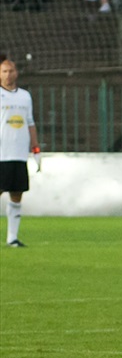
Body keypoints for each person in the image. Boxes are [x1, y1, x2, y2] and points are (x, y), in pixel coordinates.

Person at [0, 56, 40, 248]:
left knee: (16, 195)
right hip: (1, 154)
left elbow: (30, 122)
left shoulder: (25, 96)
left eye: (11, 71)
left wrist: (36, 149)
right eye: (4, 71)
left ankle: (12, 238)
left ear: (16, 73)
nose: (8, 75)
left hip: (18, 154)